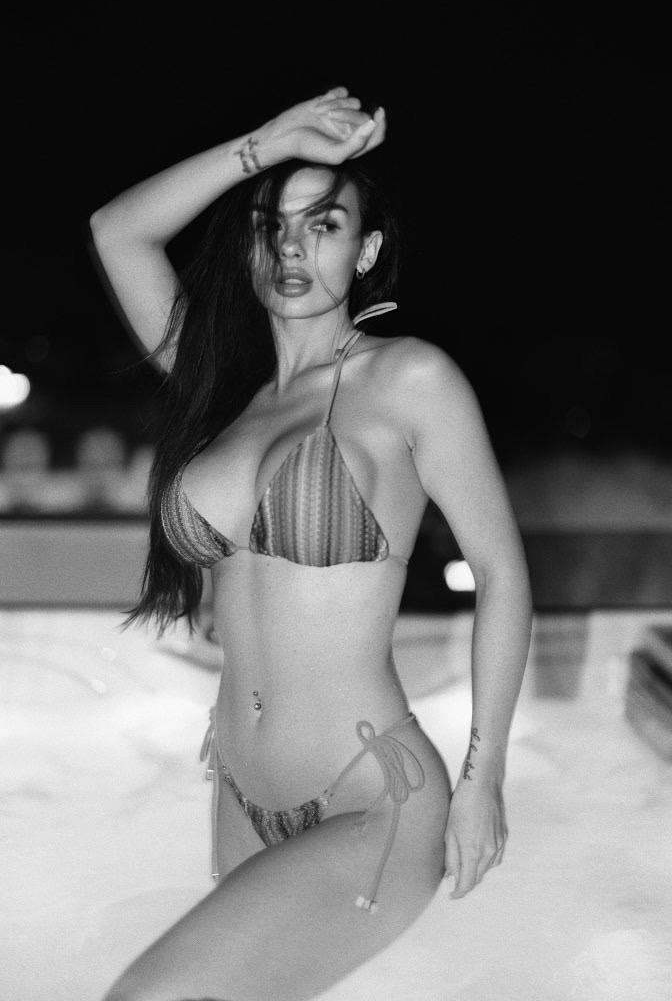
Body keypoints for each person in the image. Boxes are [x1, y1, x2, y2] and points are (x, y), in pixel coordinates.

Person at [90, 86, 533, 1001]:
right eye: (273, 228)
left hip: (371, 796)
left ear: (365, 252)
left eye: (324, 225)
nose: (293, 248)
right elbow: (117, 231)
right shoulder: (221, 389)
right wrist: (263, 143)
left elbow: (500, 572)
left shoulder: (407, 378)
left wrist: (485, 776)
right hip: (239, 793)